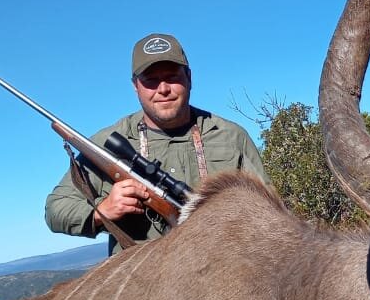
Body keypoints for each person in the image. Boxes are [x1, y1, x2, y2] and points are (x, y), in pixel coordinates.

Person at [45, 33, 267, 255]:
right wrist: (102, 211)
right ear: (136, 86)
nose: (163, 89)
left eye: (172, 77)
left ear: (189, 78)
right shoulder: (107, 144)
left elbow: (268, 213)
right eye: (151, 80)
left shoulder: (230, 136)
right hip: (142, 281)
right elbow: (55, 210)